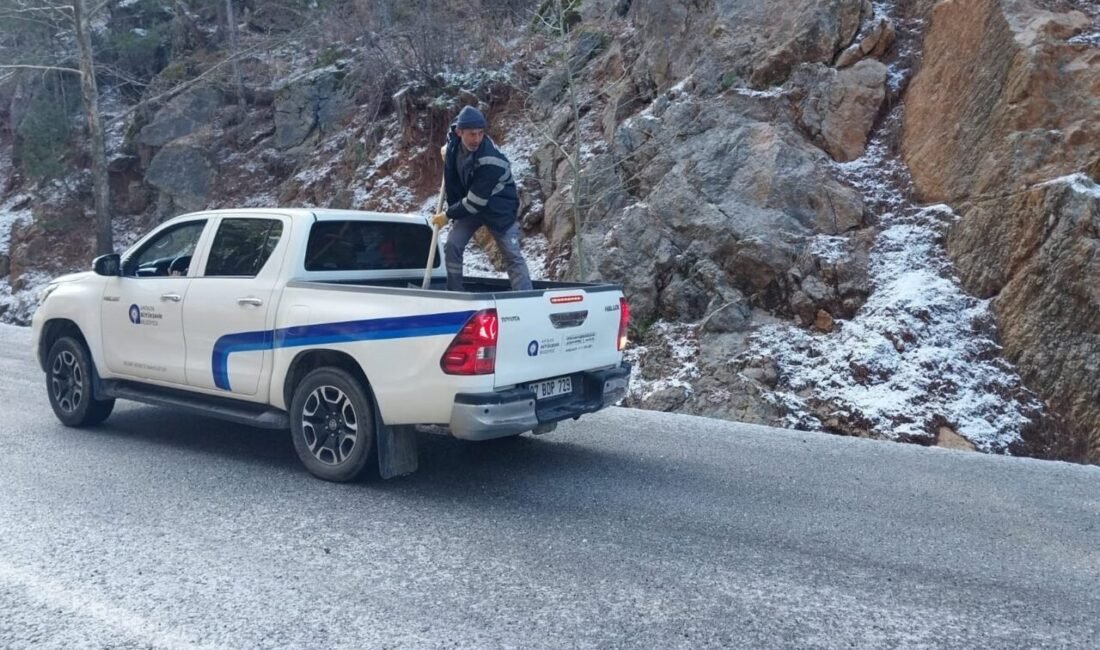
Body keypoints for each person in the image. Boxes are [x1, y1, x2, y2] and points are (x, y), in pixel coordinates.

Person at [432, 105, 533, 292]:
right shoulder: (454, 138)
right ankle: (455, 293)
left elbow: (475, 202)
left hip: (498, 207)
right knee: (453, 245)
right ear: (460, 131)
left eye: (480, 133)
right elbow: (451, 134)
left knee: (512, 255)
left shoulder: (490, 161)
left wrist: (448, 214)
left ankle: (525, 296)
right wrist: (448, 150)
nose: (477, 139)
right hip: (471, 205)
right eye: (472, 134)